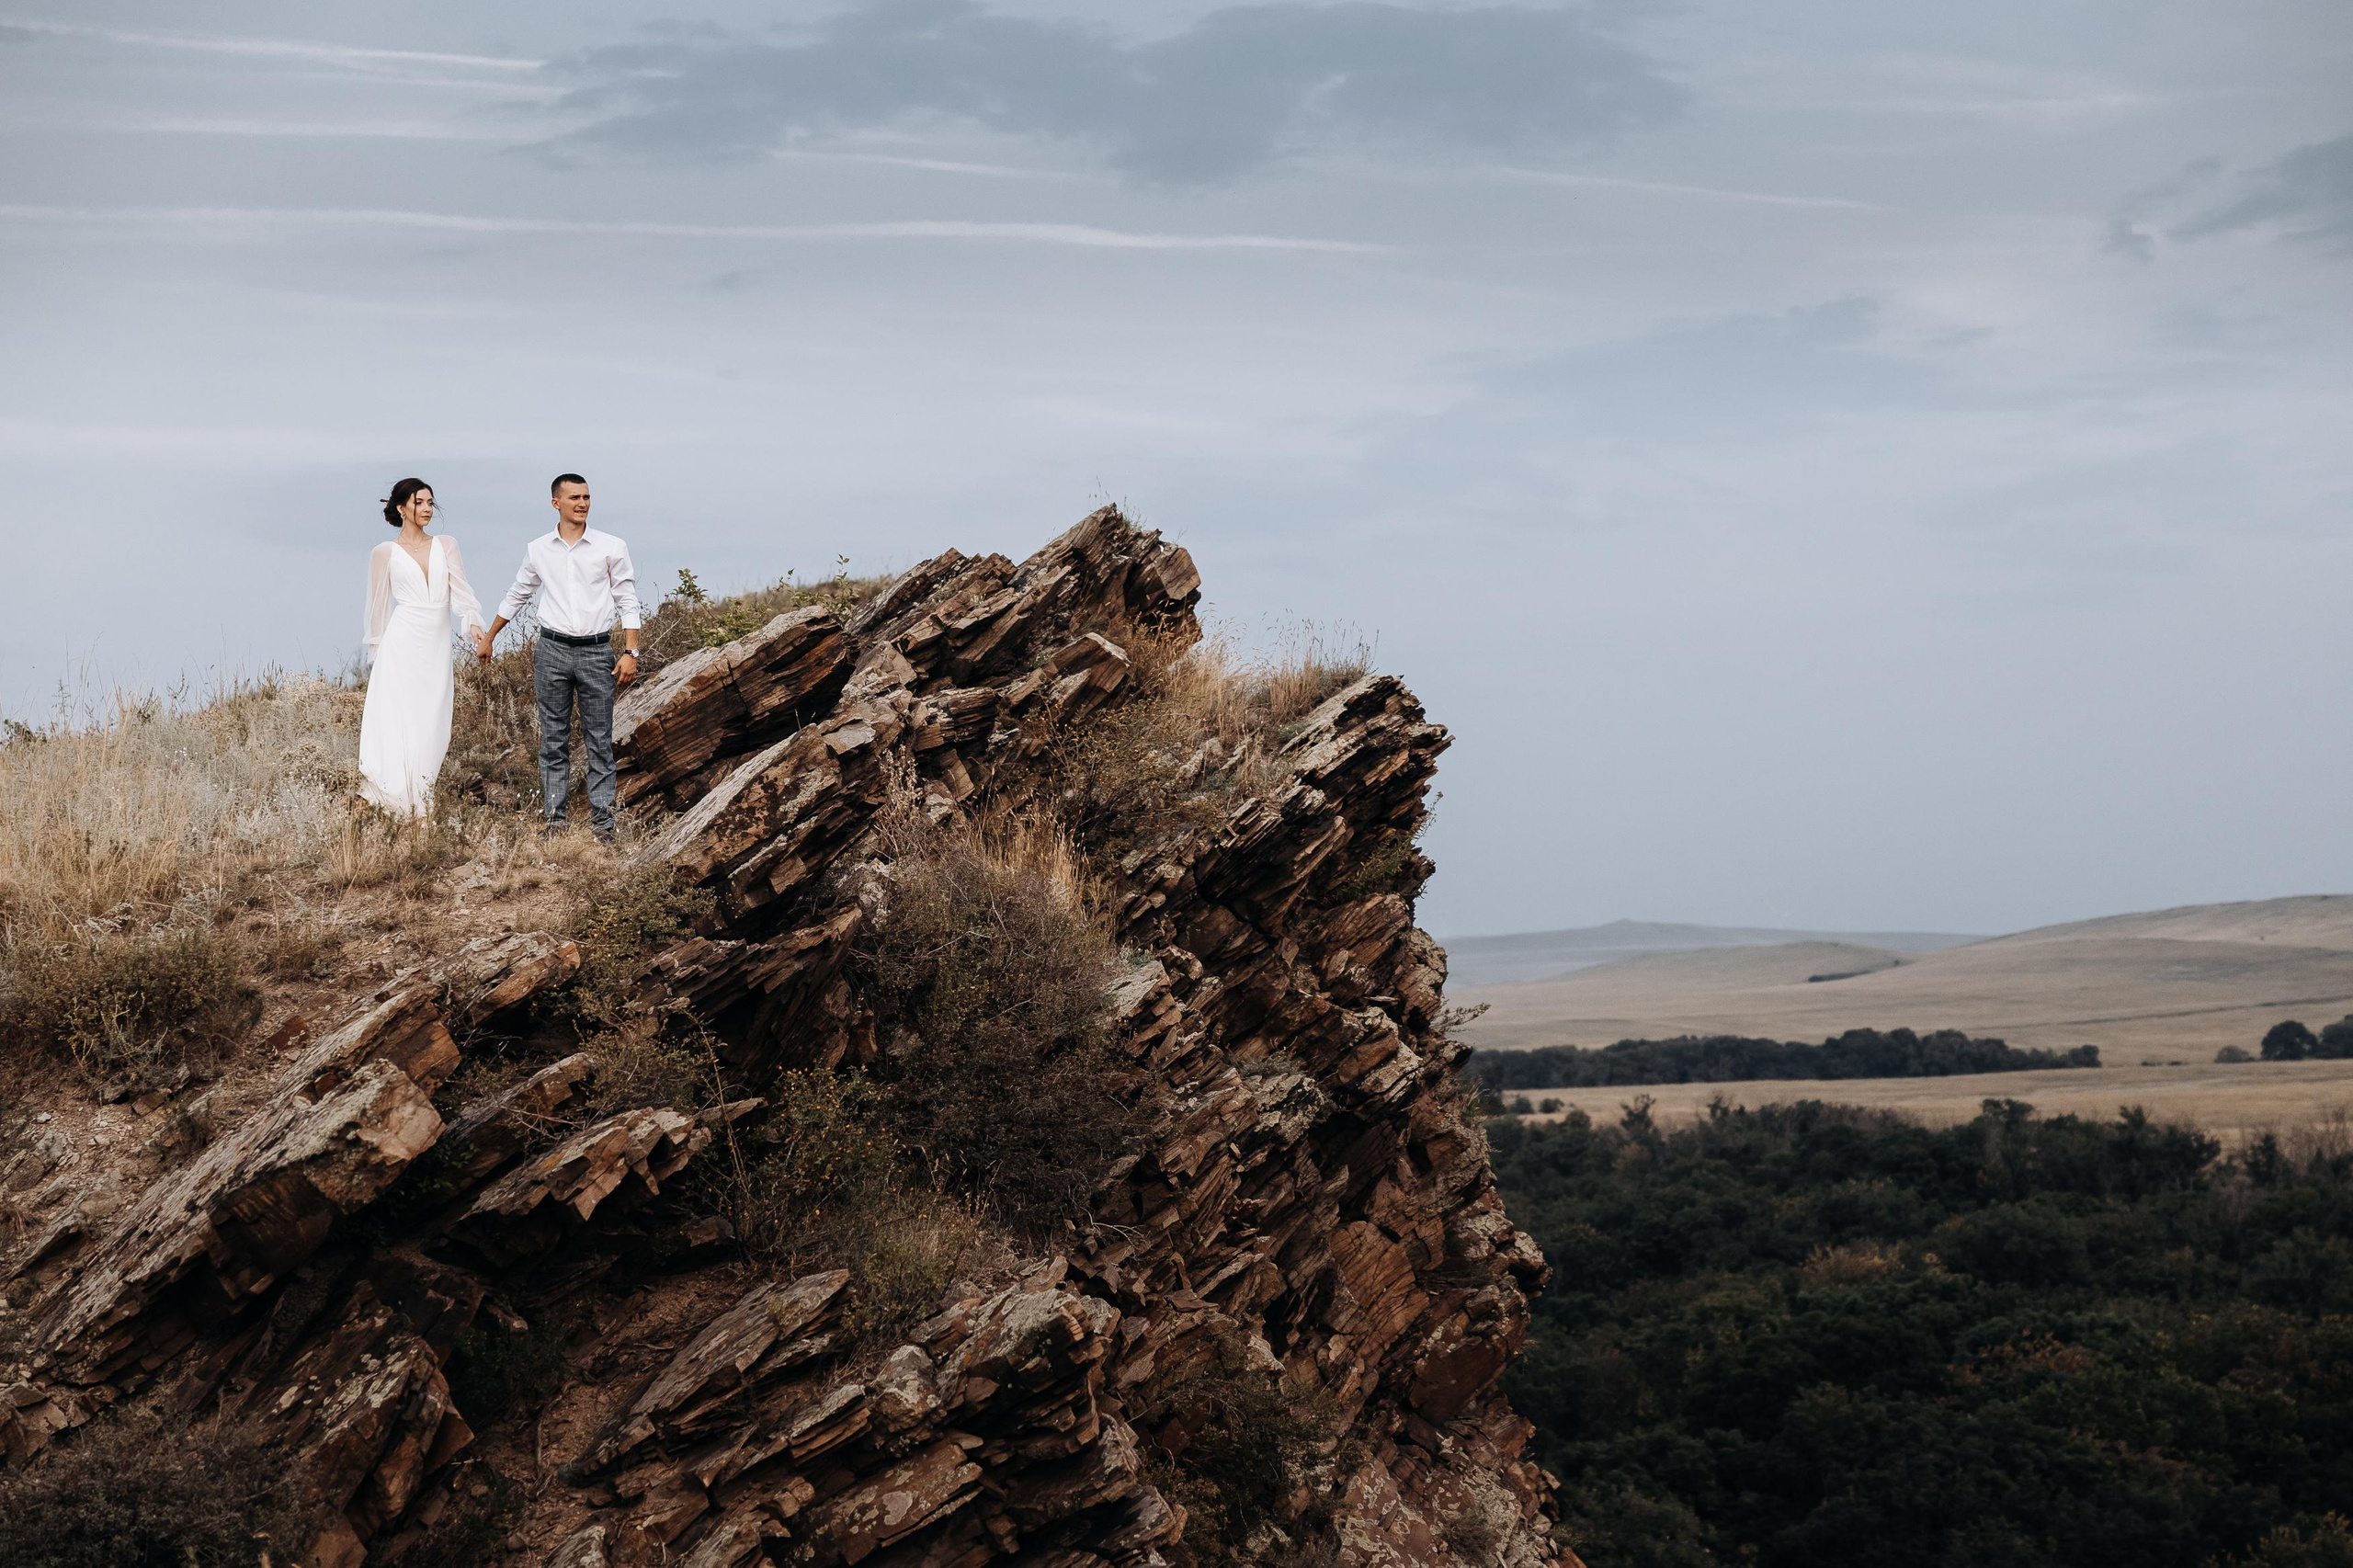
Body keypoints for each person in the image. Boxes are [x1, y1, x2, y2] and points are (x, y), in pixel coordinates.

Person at [478, 472, 642, 838]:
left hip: (597, 651)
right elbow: (517, 594)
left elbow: (627, 599)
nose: (582, 503)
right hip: (551, 651)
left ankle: (603, 825)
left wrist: (631, 651)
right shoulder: (539, 549)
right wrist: (489, 637)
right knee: (553, 738)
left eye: (586, 497)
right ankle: (555, 820)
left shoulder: (611, 546)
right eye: (574, 498)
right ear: (556, 503)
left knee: (599, 739)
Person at [358, 478, 485, 816]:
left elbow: (461, 590)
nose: (428, 508)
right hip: (401, 643)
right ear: (402, 508)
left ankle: (421, 789)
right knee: (400, 716)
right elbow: (378, 610)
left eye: (431, 502)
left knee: (432, 719)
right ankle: (397, 799)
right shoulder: (384, 553)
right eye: (420, 502)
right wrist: (378, 660)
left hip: (436, 643)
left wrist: (473, 624)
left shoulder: (447, 544)